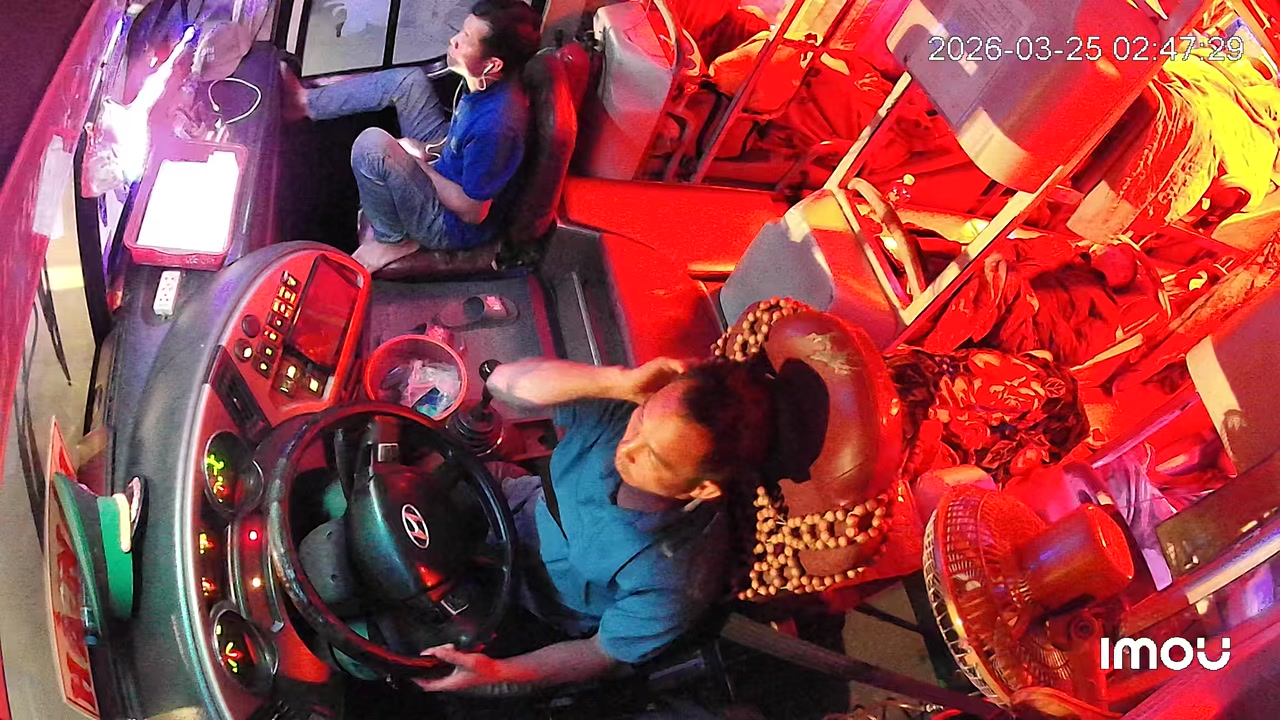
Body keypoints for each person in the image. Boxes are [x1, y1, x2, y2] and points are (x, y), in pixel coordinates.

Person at [414, 356, 774, 695]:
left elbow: (599, 652)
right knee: (410, 480)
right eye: (642, 419)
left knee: (420, 638)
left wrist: (497, 673)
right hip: (511, 504)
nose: (626, 449)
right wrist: (618, 382)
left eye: (654, 456)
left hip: (531, 601)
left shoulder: (677, 578)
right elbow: (501, 382)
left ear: (702, 488)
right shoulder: (622, 408)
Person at [279, 0, 541, 270]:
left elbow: (473, 212)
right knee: (408, 82)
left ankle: (392, 238)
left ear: (492, 65)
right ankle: (304, 103)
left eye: (466, 38)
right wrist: (426, 149)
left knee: (371, 146)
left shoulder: (497, 126)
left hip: (448, 223)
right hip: (447, 165)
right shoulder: (484, 86)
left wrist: (417, 166)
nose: (454, 40)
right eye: (461, 31)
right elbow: (460, 142)